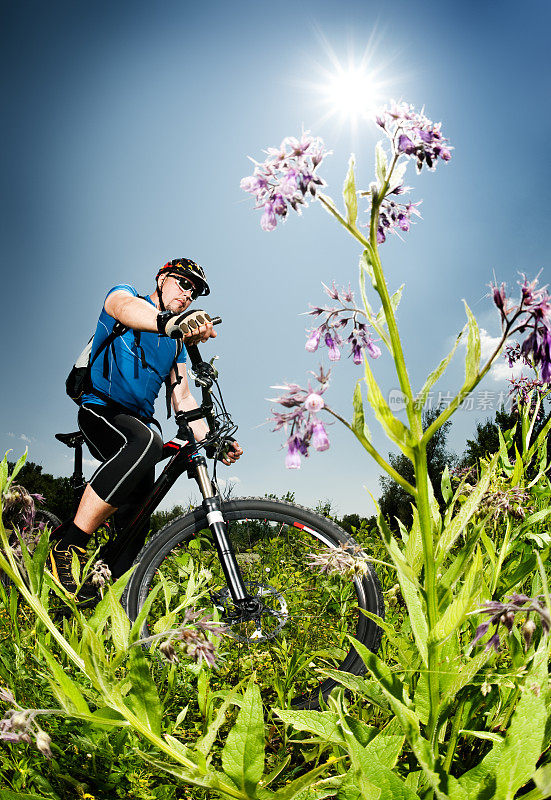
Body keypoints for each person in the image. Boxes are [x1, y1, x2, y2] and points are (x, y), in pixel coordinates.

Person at [50, 257, 243, 595]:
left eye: (194, 293)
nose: (187, 295)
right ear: (162, 278)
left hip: (137, 425)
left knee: (137, 519)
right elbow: (123, 309)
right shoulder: (127, 298)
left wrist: (213, 441)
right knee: (147, 443)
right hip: (101, 411)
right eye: (183, 283)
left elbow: (183, 400)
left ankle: (99, 597)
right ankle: (69, 544)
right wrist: (171, 322)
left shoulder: (176, 346)